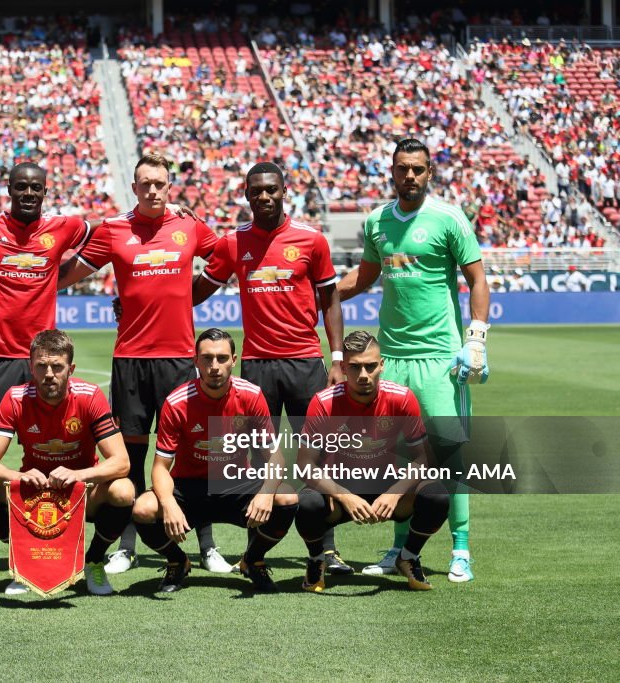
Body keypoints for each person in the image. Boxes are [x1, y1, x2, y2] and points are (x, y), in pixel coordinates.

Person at [58, 153, 231, 575]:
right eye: (145, 183)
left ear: (170, 187)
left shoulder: (189, 225)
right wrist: (21, 271)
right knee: (131, 458)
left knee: (192, 457)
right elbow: (66, 274)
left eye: (160, 183)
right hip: (131, 360)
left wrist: (194, 294)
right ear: (134, 187)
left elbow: (225, 259)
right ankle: (128, 545)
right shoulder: (115, 229)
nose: (152, 189)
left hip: (177, 358)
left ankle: (206, 545)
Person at [338, 138, 490, 582]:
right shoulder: (377, 221)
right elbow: (364, 277)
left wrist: (476, 339)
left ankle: (460, 548)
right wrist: (321, 290)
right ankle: (401, 547)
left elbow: (477, 279)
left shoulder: (449, 218)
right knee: (400, 457)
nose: (410, 176)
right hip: (393, 359)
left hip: (440, 359)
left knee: (449, 455)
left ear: (429, 173)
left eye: (418, 169)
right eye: (403, 168)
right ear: (392, 170)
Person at [191, 161, 350, 576]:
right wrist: (144, 297)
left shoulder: (311, 241)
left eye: (271, 189)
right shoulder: (233, 243)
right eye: (256, 190)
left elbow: (330, 300)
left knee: (319, 458)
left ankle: (325, 548)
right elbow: (196, 291)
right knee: (250, 460)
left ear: (285, 191)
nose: (263, 196)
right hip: (257, 366)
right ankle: (254, 550)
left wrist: (336, 359)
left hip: (305, 363)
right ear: (246, 195)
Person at [0, 162, 100, 575]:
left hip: (44, 359)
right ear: (9, 190)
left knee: (59, 446)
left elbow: (104, 234)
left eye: (36, 187)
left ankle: (59, 533)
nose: (29, 193)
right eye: (21, 187)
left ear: (45, 191)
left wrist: (63, 276)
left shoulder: (64, 226)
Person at [131, 328, 300, 594]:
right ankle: (178, 562)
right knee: (142, 508)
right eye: (207, 358)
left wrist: (267, 493)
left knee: (287, 498)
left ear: (234, 359)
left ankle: (252, 560)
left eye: (222, 358)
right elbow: (161, 467)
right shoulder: (177, 403)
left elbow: (275, 456)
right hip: (189, 487)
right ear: (195, 361)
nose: (214, 366)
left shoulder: (251, 396)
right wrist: (168, 503)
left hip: (235, 483)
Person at [0, 329, 134, 595]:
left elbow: (121, 463)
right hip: (33, 495)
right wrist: (18, 476)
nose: (49, 374)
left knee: (123, 490)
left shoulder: (90, 396)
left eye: (57, 367)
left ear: (71, 368)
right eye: (41, 366)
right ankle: (24, 564)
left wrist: (79, 475)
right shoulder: (15, 398)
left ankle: (93, 561)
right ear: (30, 368)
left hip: (79, 493)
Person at [295, 331, 450, 591]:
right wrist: (345, 496)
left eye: (370, 366)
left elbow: (423, 458)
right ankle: (316, 560)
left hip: (386, 490)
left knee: (437, 495)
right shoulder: (323, 403)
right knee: (306, 501)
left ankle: (408, 557)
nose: (363, 375)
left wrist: (393, 494)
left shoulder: (402, 398)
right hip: (339, 495)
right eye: (354, 367)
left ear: (382, 365)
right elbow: (304, 466)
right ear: (343, 368)